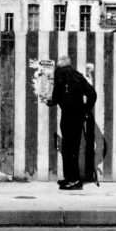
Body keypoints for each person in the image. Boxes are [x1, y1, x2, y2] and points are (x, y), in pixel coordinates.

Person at [46, 54, 97, 190]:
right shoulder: (78, 75)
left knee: (68, 148)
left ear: (60, 65)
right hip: (78, 116)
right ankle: (70, 178)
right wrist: (85, 110)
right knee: (72, 147)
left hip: (67, 116)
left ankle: (73, 180)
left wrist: (50, 101)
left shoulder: (60, 73)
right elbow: (92, 93)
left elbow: (56, 94)